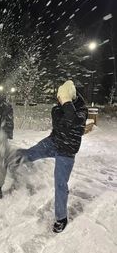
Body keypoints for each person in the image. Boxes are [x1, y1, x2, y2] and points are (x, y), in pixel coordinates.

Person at [15, 80, 88, 233]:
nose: (58, 100)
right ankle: (11, 158)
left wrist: (66, 101)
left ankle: (61, 217)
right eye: (59, 97)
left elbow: (73, 122)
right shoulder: (56, 109)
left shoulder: (82, 109)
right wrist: (65, 104)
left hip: (67, 152)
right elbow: (63, 124)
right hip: (54, 142)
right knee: (30, 153)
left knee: (60, 185)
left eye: (61, 97)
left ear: (69, 97)